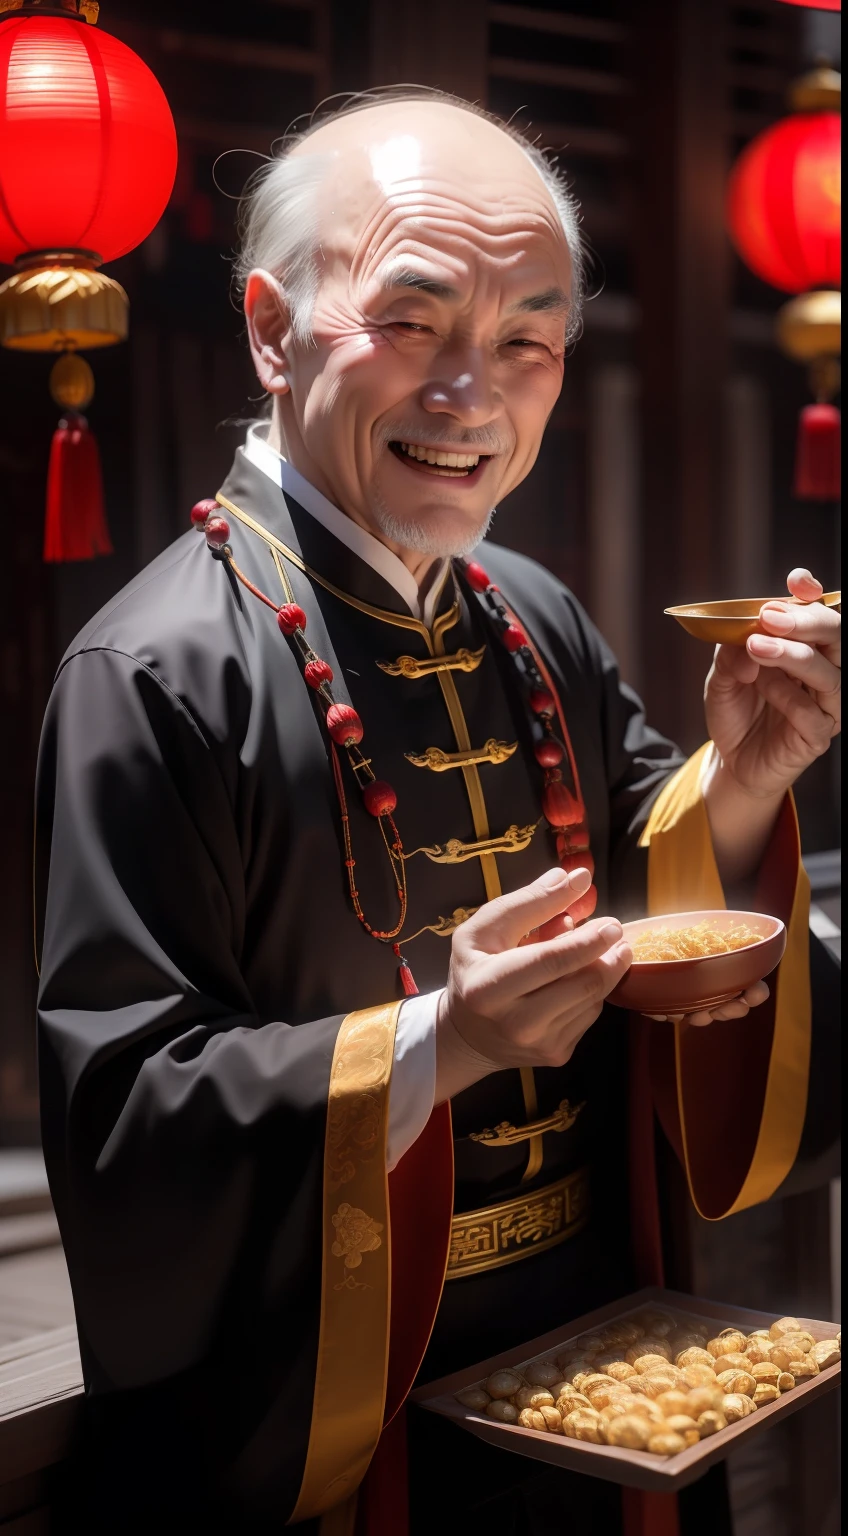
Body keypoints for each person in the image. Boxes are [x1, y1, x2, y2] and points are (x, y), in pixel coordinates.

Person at [35, 90, 840, 1535]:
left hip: (600, 1339)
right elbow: (124, 1120)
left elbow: (664, 911)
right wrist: (440, 1043)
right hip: (342, 1408)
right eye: (413, 321)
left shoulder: (530, 616)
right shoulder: (154, 672)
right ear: (272, 329)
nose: (475, 394)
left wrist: (752, 779)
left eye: (528, 338)